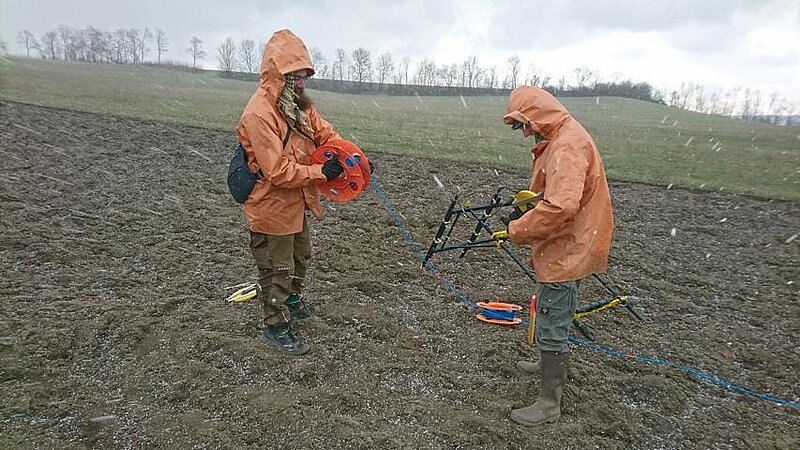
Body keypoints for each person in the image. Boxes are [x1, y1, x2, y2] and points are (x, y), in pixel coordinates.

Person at [501, 86, 614, 426]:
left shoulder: (566, 146)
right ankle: (550, 364)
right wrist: (528, 209)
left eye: (525, 125)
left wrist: (518, 228)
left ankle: (549, 403)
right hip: (571, 239)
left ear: (539, 115)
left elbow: (561, 206)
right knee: (555, 311)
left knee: (552, 318)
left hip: (568, 245)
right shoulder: (563, 136)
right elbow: (555, 196)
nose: (525, 133)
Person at [235, 29, 346, 356]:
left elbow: (326, 135)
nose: (301, 84)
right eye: (295, 77)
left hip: (297, 200)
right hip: (270, 204)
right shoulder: (259, 113)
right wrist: (320, 173)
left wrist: (353, 159)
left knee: (301, 256)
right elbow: (277, 170)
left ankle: (293, 301)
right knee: (277, 268)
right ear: (278, 75)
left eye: (304, 76)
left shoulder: (298, 105)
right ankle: (275, 325)